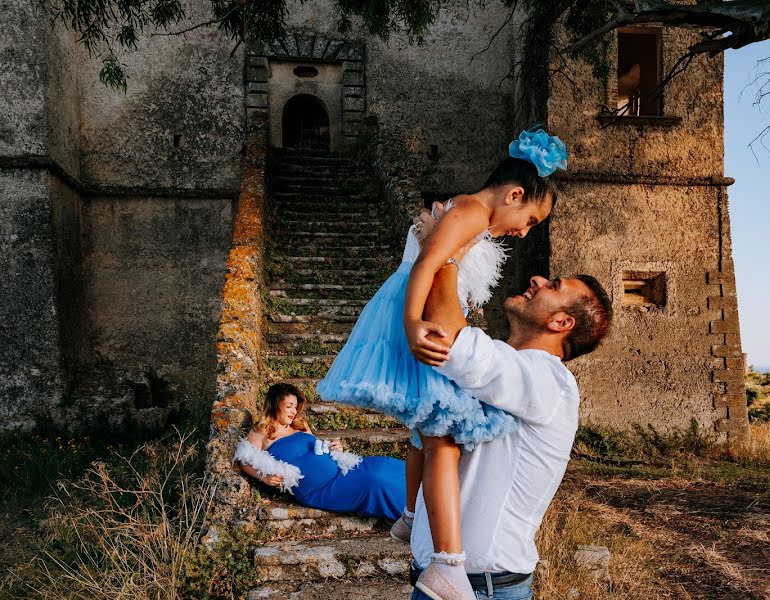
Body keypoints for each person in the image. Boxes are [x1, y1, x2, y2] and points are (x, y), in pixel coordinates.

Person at [316, 128, 570, 599]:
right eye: (531, 218)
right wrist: (413, 321)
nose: (525, 231)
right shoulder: (471, 212)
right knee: (445, 437)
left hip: (419, 314)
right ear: (514, 194)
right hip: (418, 318)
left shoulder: (460, 210)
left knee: (424, 430)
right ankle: (449, 562)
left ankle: (412, 516)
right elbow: (427, 265)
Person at [406, 207, 613, 600]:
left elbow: (450, 340)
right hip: (437, 580)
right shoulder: (506, 364)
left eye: (553, 285)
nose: (536, 279)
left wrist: (444, 251)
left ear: (561, 323)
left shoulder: (551, 381)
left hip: (486, 588)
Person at [234, 382, 405, 521]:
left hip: (341, 471)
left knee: (382, 465)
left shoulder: (300, 425)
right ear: (275, 404)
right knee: (375, 482)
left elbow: (317, 448)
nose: (294, 411)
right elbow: (245, 460)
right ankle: (415, 516)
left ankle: (427, 493)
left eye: (296, 407)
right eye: (289, 406)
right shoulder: (261, 432)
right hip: (320, 489)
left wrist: (335, 450)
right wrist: (263, 476)